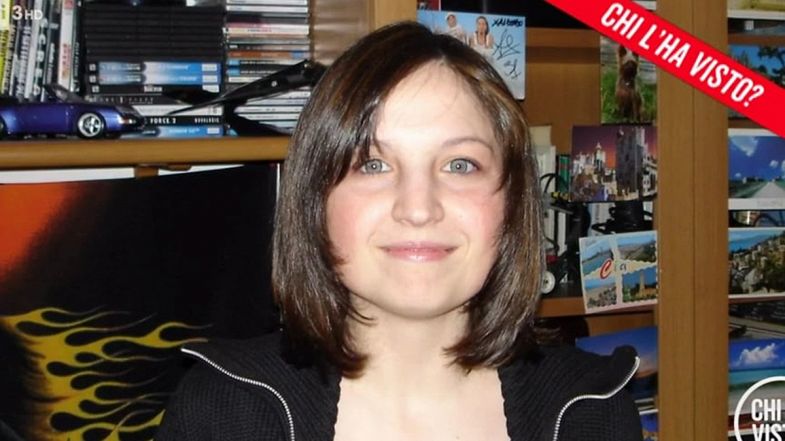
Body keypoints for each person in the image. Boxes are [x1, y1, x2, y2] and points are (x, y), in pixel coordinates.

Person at [155, 21, 643, 441]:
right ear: (315, 200)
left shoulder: (592, 411)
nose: (418, 209)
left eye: (459, 164)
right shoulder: (225, 412)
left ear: (513, 203)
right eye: (372, 164)